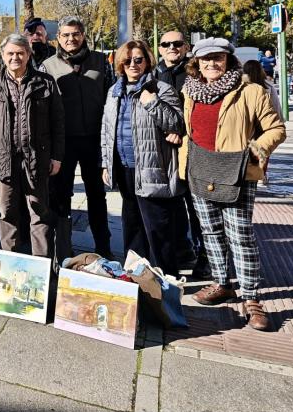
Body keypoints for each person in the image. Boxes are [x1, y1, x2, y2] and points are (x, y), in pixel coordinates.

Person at [180, 38, 286, 331]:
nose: (211, 64)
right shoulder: (190, 91)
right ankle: (222, 283)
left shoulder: (250, 91)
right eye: (205, 59)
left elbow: (276, 128)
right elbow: (190, 131)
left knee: (240, 236)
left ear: (228, 60)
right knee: (210, 232)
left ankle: (251, 298)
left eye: (218, 58)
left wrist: (256, 150)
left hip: (236, 172)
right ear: (197, 63)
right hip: (200, 168)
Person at [101, 40, 186, 275]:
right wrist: (106, 163)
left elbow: (177, 124)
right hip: (124, 167)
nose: (133, 65)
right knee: (132, 226)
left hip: (152, 168)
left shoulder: (161, 89)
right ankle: (136, 277)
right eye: (127, 60)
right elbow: (106, 129)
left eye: (138, 60)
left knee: (157, 229)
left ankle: (166, 279)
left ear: (147, 62)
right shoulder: (114, 91)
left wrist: (152, 102)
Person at [0, 34, 64, 257]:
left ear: (28, 54)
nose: (15, 57)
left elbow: (58, 122)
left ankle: (41, 264)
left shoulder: (45, 82)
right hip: (4, 160)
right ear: (2, 56)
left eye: (20, 53)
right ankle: (11, 263)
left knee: (39, 213)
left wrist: (57, 156)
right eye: (10, 53)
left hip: (37, 159)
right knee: (7, 213)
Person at [40, 16, 114, 260]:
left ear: (83, 35)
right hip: (63, 142)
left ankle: (103, 247)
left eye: (76, 34)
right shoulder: (47, 66)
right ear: (58, 38)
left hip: (94, 139)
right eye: (66, 35)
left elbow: (112, 98)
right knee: (61, 196)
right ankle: (63, 249)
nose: (71, 39)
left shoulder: (101, 62)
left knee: (97, 195)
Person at [152, 29, 208, 277]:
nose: (172, 48)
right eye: (166, 44)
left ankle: (205, 258)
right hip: (163, 151)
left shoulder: (197, 74)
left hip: (192, 149)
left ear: (186, 47)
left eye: (177, 43)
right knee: (171, 207)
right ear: (160, 48)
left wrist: (180, 131)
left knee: (198, 209)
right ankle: (181, 251)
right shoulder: (153, 74)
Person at [242, 60, 283, 189]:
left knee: (247, 149)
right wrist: (279, 121)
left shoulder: (242, 85)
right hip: (263, 124)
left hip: (247, 123)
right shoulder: (268, 86)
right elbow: (275, 105)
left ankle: (248, 174)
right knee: (263, 149)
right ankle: (261, 175)